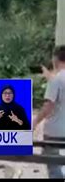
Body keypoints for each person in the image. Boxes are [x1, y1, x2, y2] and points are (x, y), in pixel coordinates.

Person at [33, 45, 65, 179]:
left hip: (55, 131)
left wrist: (34, 122)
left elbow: (48, 106)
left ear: (55, 59)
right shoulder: (56, 79)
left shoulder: (56, 80)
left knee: (53, 166)